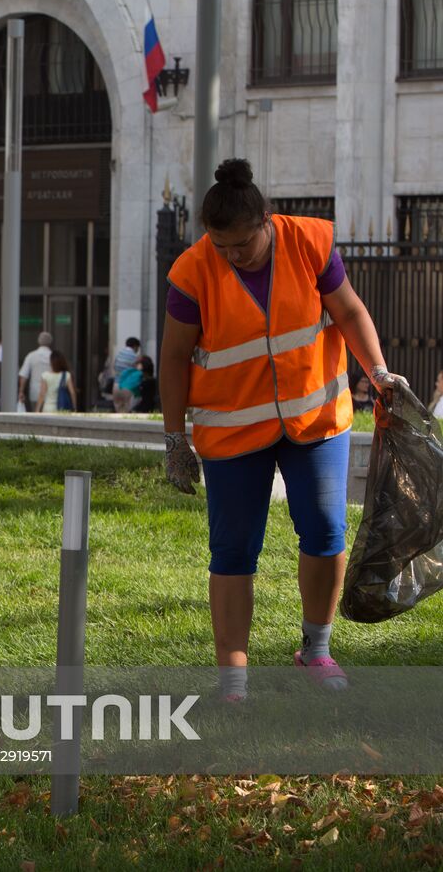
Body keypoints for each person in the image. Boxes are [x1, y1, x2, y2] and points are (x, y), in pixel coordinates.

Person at [160, 158, 406, 703]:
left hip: (315, 419)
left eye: (242, 244)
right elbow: (174, 358)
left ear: (265, 221)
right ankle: (233, 680)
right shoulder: (193, 271)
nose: (232, 256)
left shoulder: (309, 244)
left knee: (324, 531)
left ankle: (316, 650)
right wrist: (174, 438)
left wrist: (379, 372)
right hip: (232, 432)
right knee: (232, 551)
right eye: (220, 246)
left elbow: (350, 313)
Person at [17, 331, 54, 412]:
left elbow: (24, 375)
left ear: (38, 341)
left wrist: (21, 391)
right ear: (50, 342)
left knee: (36, 416)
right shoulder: (53, 356)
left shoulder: (31, 355)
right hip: (51, 394)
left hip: (35, 393)